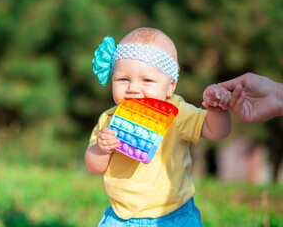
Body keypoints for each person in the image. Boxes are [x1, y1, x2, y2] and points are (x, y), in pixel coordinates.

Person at [84, 27, 232, 226]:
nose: (133, 89)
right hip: (122, 217)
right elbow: (93, 167)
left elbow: (217, 132)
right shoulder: (110, 119)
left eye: (147, 80)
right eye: (123, 79)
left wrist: (217, 110)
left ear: (170, 86)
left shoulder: (177, 113)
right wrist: (100, 149)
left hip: (172, 215)